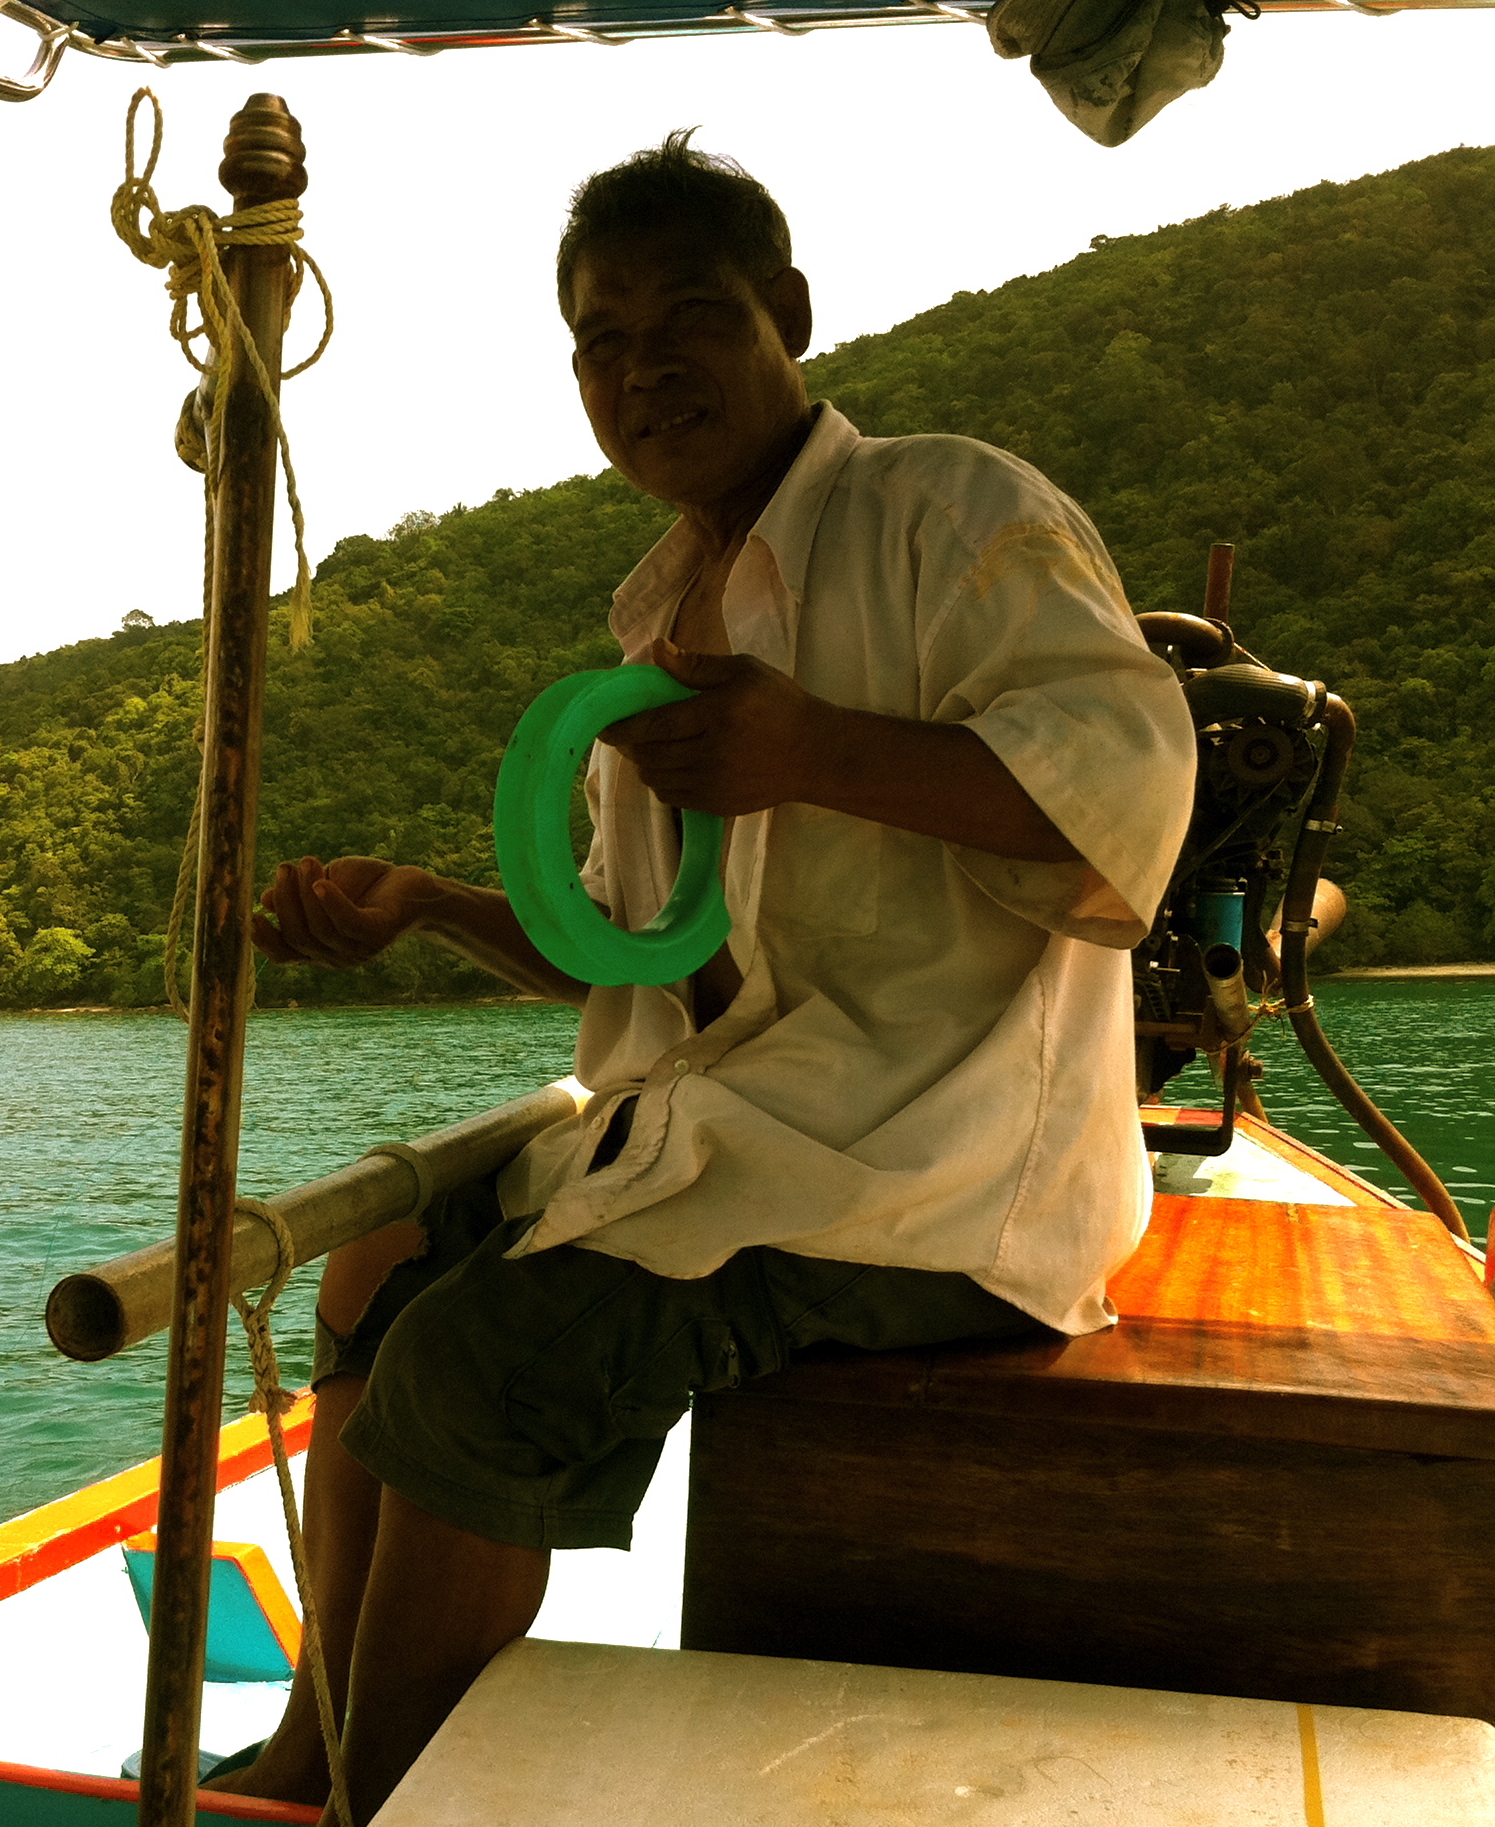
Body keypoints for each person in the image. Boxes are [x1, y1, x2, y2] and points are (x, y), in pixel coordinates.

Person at [210, 133, 1194, 1819]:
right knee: (377, 1265)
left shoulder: (954, 511)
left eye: (689, 317)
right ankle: (317, 1753)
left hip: (944, 1179)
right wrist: (426, 903)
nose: (641, 367)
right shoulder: (656, 625)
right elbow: (630, 952)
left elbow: (1130, 801)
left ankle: (388, 1803)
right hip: (746, 1138)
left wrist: (809, 747)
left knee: (482, 1368)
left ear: (785, 315)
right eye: (600, 338)